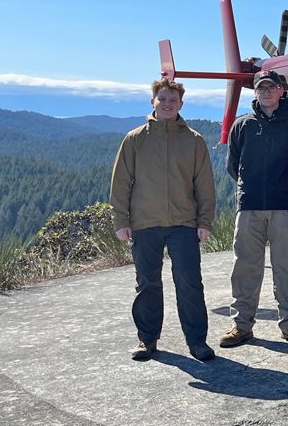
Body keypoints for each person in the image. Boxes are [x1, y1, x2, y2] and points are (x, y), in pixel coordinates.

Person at [110, 78, 216, 362]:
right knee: (147, 283)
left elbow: (204, 186)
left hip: (184, 224)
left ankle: (197, 342)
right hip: (145, 223)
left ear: (181, 104)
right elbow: (121, 183)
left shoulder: (193, 140)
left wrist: (204, 222)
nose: (167, 104)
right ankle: (147, 340)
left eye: (173, 100)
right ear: (152, 101)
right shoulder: (135, 139)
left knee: (190, 283)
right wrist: (121, 220)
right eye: (162, 99)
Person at [219, 69, 288, 349]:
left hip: (285, 207)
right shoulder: (243, 125)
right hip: (249, 207)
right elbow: (233, 166)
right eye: (261, 88)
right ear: (256, 92)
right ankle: (241, 325)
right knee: (245, 267)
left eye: (271, 87)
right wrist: (252, 189)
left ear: (282, 90)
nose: (266, 92)